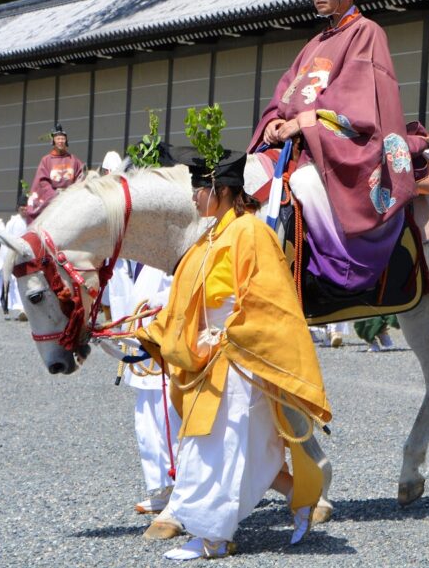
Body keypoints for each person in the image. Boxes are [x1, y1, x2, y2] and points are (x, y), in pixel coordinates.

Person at [136, 146, 331, 560]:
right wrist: (152, 332)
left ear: (218, 190)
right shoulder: (211, 236)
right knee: (246, 449)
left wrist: (226, 336)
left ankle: (215, 537)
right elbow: (186, 300)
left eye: (196, 189)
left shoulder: (250, 232)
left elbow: (268, 301)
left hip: (237, 359)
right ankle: (301, 497)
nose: (192, 198)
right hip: (215, 358)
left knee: (220, 447)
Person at [248, 0, 420, 296]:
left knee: (307, 184)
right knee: (246, 174)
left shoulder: (368, 32)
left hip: (348, 143)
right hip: (302, 141)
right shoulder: (314, 43)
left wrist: (305, 122)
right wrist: (274, 121)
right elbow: (288, 92)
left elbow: (359, 102)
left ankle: (338, 267)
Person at [102, 258, 182, 522]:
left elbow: (182, 287)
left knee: (170, 417)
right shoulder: (121, 258)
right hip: (139, 344)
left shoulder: (161, 248)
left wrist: (153, 303)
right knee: (146, 422)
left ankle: (183, 490)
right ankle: (164, 488)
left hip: (165, 342)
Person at [28, 123, 84, 217]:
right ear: (53, 141)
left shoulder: (73, 159)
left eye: (63, 139)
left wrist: (72, 193)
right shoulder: (46, 160)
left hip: (70, 199)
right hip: (52, 200)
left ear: (66, 141)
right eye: (58, 139)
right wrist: (53, 195)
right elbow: (42, 181)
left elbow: (82, 176)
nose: (61, 141)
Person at [0, 196, 32, 321]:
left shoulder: (32, 221)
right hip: (14, 255)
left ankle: (28, 309)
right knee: (15, 283)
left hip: (28, 255)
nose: (24, 208)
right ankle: (20, 309)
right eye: (22, 205)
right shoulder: (12, 222)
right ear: (18, 207)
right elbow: (6, 241)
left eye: (26, 205)